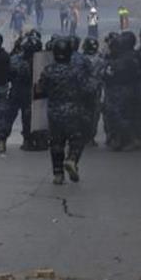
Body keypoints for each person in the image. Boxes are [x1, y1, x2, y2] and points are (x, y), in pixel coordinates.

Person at [35, 37, 99, 185]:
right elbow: (88, 89)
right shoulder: (75, 71)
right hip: (73, 111)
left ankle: (58, 173)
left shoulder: (48, 71)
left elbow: (40, 90)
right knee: (77, 139)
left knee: (56, 143)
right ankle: (72, 159)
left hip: (54, 112)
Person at [104, 30, 141, 151]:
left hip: (122, 89)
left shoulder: (126, 59)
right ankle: (120, 139)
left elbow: (111, 73)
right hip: (126, 89)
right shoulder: (131, 56)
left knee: (118, 115)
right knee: (121, 115)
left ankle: (131, 139)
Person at [6, 31, 40, 150]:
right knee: (25, 117)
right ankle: (26, 140)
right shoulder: (38, 61)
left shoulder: (15, 59)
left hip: (19, 91)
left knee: (12, 116)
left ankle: (2, 139)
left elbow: (8, 74)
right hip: (27, 91)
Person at [79, 36, 105, 147]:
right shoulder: (100, 60)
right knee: (94, 115)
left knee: (82, 113)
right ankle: (90, 138)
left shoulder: (80, 59)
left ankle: (82, 136)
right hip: (95, 91)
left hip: (82, 91)